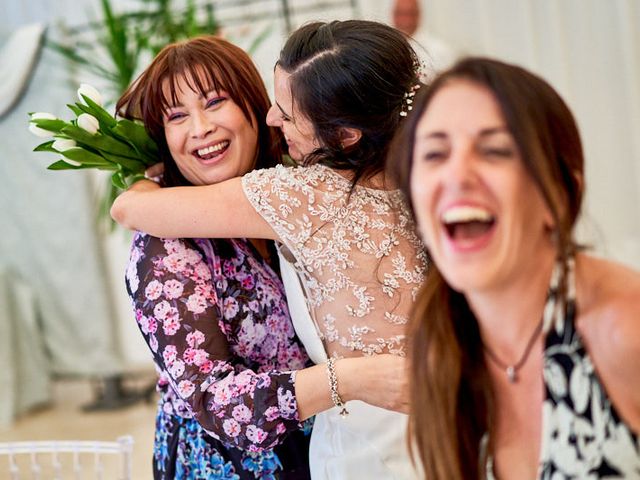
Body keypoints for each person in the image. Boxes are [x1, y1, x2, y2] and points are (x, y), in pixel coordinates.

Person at [112, 21, 427, 480]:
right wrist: (355, 380)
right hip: (235, 466)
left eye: (215, 102)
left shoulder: (298, 188)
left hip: (356, 438)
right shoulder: (166, 249)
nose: (200, 129)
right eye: (176, 116)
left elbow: (129, 205)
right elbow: (210, 400)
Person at [391, 57, 640, 479]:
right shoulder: (439, 347)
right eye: (434, 154)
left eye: (495, 150)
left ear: (558, 197)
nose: (457, 174)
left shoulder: (624, 330)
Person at [391, 0, 458, 80]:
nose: (404, 20)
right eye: (399, 14)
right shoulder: (385, 48)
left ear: (419, 15)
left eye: (409, 14)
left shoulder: (440, 50)